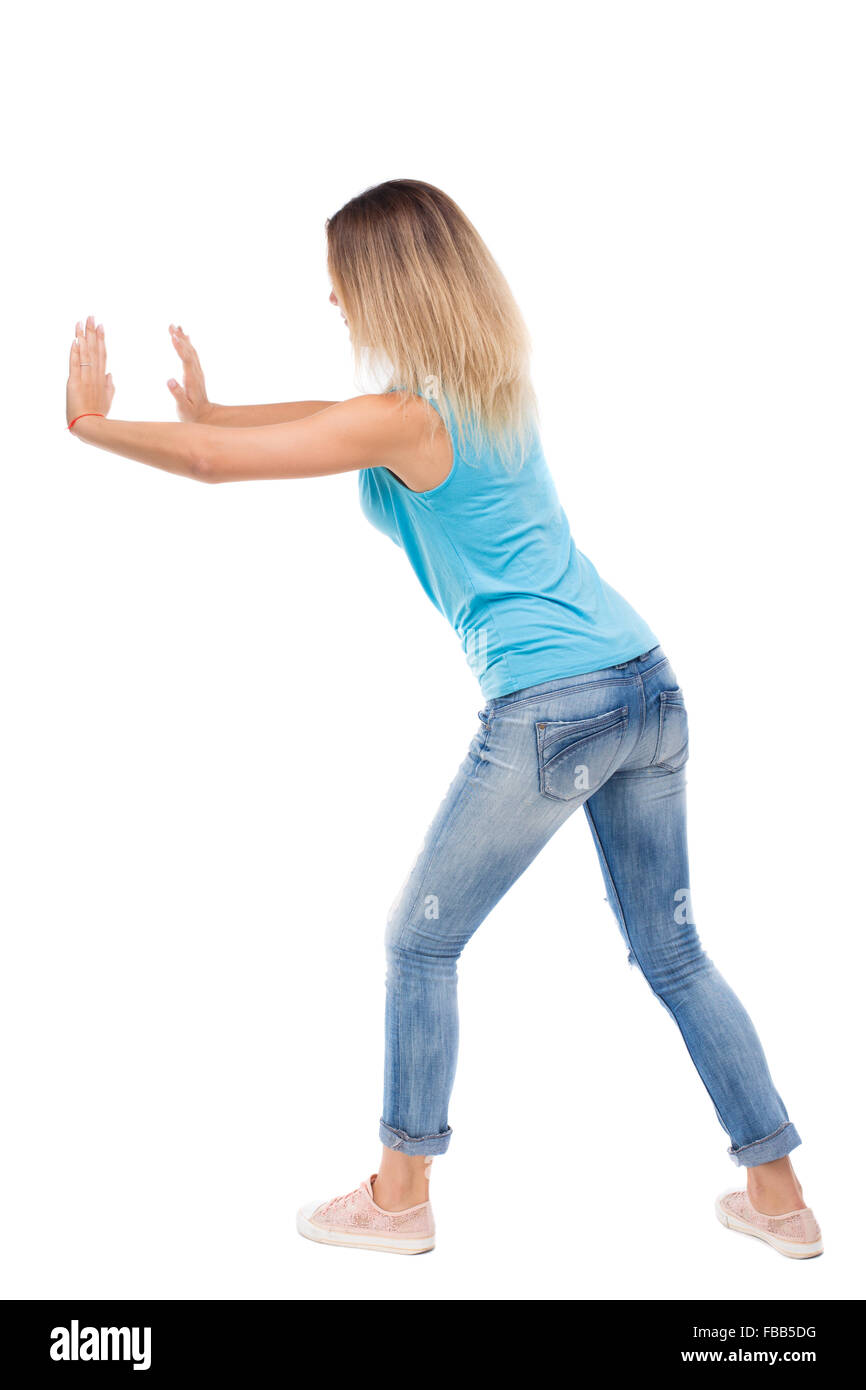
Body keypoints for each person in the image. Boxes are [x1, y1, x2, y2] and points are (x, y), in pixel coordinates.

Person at [65, 179, 822, 1261]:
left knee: (418, 943)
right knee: (672, 951)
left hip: (550, 708)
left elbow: (217, 467)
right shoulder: (487, 388)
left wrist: (94, 425)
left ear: (379, 284)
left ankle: (399, 1192)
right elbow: (317, 430)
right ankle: (778, 1192)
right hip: (645, 683)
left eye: (338, 282)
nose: (329, 299)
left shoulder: (409, 416)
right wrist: (215, 408)